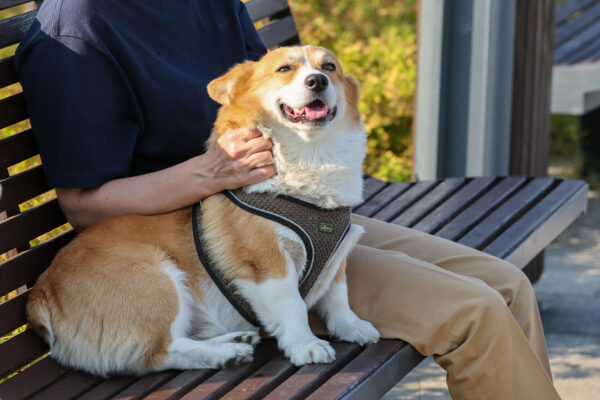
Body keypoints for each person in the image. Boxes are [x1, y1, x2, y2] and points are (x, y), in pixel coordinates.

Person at [15, 0, 561, 398]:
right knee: (476, 314)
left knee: (506, 285)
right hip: (215, 253)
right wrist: (208, 173)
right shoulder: (76, 32)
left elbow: (275, 85)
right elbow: (83, 205)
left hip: (294, 204)